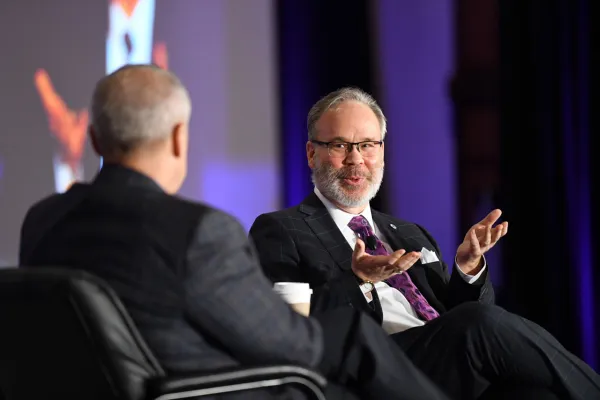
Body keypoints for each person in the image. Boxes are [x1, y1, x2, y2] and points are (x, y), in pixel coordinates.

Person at [18, 65, 453, 400]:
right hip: (204, 388)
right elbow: (285, 342)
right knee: (356, 340)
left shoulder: (41, 220)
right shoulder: (198, 231)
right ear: (178, 139)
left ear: (93, 138)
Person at [249, 87, 600, 400]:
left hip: (441, 368)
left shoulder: (409, 233)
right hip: (372, 370)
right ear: (312, 154)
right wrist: (357, 280)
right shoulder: (281, 230)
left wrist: (468, 270)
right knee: (479, 324)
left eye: (368, 145)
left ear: (382, 152)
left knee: (535, 393)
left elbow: (453, 318)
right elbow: (283, 328)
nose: (356, 159)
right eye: (340, 145)